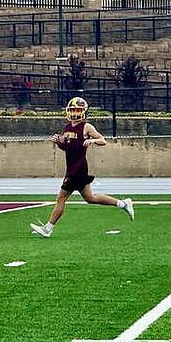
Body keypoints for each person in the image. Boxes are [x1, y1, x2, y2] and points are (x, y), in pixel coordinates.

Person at [30, 97, 134, 238]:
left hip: (77, 169)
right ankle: (123, 204)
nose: (74, 113)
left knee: (61, 198)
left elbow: (102, 140)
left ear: (83, 111)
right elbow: (68, 147)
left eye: (78, 110)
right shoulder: (67, 127)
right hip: (73, 167)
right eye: (72, 110)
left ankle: (48, 229)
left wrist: (91, 141)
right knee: (90, 198)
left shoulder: (86, 127)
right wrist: (59, 142)